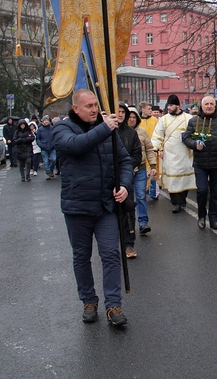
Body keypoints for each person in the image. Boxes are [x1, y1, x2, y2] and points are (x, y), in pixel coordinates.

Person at [52, 89, 133, 325]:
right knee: (81, 256)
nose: (94, 110)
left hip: (106, 205)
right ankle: (88, 299)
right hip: (77, 206)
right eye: (88, 106)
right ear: (75, 108)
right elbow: (76, 146)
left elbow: (125, 161)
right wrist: (104, 128)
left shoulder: (106, 129)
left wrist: (125, 185)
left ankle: (114, 306)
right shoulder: (63, 129)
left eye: (95, 105)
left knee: (110, 254)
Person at [183, 95, 217, 230]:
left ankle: (214, 218)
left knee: (216, 192)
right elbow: (186, 138)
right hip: (200, 163)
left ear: (215, 105)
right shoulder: (194, 121)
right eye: (206, 104)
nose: (209, 106)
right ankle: (201, 216)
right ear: (202, 106)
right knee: (202, 190)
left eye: (211, 104)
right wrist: (195, 144)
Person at [151, 95, 196, 214]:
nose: (169, 108)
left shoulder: (188, 118)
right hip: (170, 154)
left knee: (184, 179)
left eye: (171, 105)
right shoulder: (163, 119)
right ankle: (175, 203)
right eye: (168, 106)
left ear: (178, 105)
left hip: (185, 152)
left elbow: (194, 133)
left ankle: (182, 199)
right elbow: (157, 135)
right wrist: (155, 147)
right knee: (173, 180)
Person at [116, 104, 143, 259]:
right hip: (107, 176)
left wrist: (126, 166)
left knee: (128, 208)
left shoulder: (131, 133)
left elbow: (136, 155)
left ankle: (129, 243)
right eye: (117, 112)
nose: (120, 114)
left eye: (122, 112)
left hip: (126, 176)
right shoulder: (105, 130)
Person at [128, 107, 157, 235]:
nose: (132, 119)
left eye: (134, 117)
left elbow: (149, 149)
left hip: (140, 168)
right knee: (127, 198)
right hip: (125, 169)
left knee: (140, 196)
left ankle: (143, 223)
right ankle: (128, 223)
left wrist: (153, 166)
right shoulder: (119, 131)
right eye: (130, 117)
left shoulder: (142, 132)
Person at [138, 101, 159, 200]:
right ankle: (144, 188)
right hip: (141, 149)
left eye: (151, 109)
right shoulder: (138, 121)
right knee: (143, 171)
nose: (151, 111)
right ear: (143, 110)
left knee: (153, 171)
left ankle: (154, 191)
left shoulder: (155, 120)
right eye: (148, 109)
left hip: (152, 148)